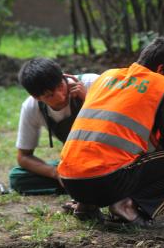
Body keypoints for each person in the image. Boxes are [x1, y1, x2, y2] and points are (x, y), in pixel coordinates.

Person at [58, 37, 164, 227]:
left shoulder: (106, 76)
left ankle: (85, 205)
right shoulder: (160, 83)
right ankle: (128, 206)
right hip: (107, 183)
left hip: (69, 182)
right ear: (160, 70)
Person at [10, 58, 99, 194]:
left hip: (110, 156)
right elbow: (23, 157)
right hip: (79, 163)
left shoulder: (92, 83)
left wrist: (88, 100)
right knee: (18, 177)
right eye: (50, 95)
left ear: (64, 76)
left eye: (60, 86)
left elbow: (120, 119)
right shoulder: (31, 107)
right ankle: (79, 184)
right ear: (36, 97)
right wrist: (56, 173)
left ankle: (81, 185)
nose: (60, 96)